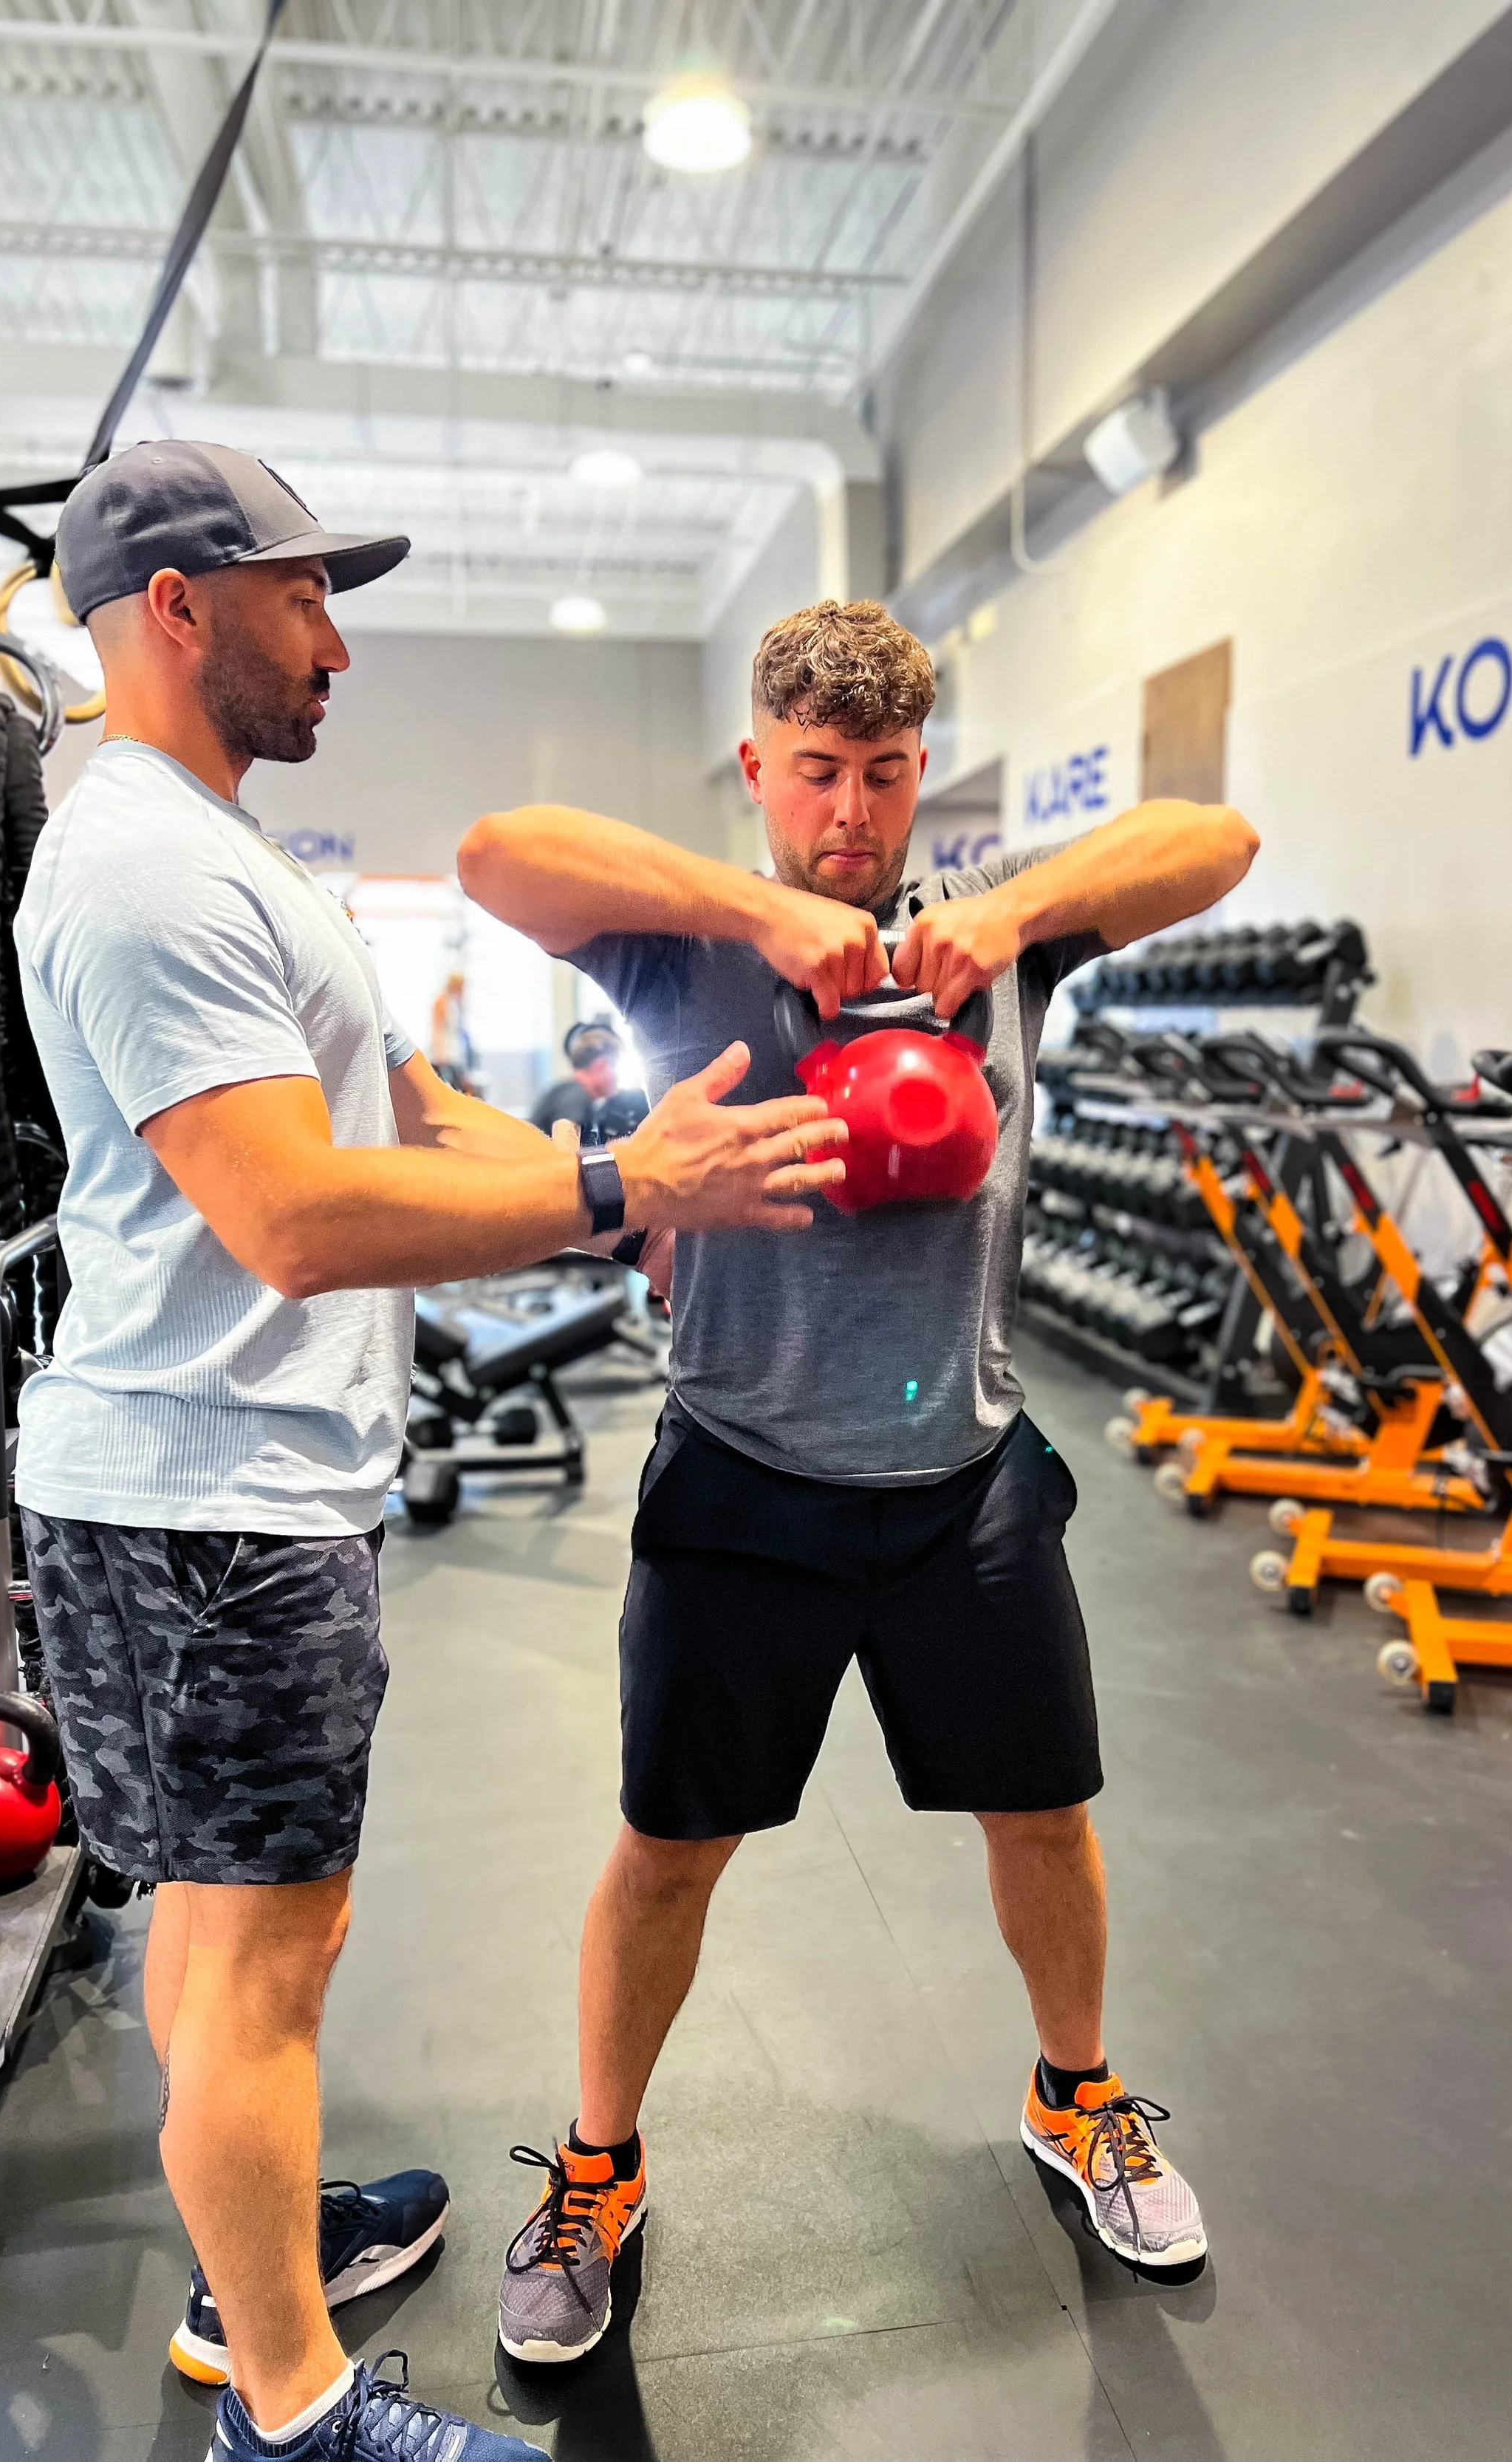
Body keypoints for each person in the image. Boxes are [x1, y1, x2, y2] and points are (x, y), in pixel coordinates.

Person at [13, 442, 847, 2462]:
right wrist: (597, 1182)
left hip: (246, 1489)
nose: (342, 644)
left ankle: (255, 2252)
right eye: (307, 596)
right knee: (254, 1959)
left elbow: (397, 1101)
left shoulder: (216, 846)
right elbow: (293, 1210)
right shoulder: (138, 864)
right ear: (182, 607)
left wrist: (651, 1187)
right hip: (205, 1502)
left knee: (238, 1932)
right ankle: (294, 2417)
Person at [458, 597, 1260, 2365]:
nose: (850, 810)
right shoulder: (683, 957)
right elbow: (496, 852)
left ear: (918, 782)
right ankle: (600, 2162)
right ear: (757, 766)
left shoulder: (994, 955)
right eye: (814, 771)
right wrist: (766, 910)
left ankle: (1077, 2093)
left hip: (963, 1485)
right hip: (741, 1477)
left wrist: (1013, 908)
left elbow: (1220, 839)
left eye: (883, 775)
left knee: (1042, 1818)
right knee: (670, 1854)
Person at [530, 1019, 640, 1138]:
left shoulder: (567, 1091)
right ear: (600, 1066)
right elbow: (567, 1152)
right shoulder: (576, 1097)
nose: (617, 1076)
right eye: (614, 1065)